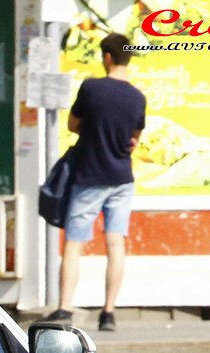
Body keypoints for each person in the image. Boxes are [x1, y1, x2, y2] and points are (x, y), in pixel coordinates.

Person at [43, 32, 146, 332]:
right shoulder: (137, 97)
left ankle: (64, 308)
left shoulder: (91, 88)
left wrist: (92, 131)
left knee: (74, 244)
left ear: (108, 57)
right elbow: (134, 140)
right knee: (116, 243)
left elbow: (73, 124)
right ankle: (109, 312)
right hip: (122, 179)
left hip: (90, 177)